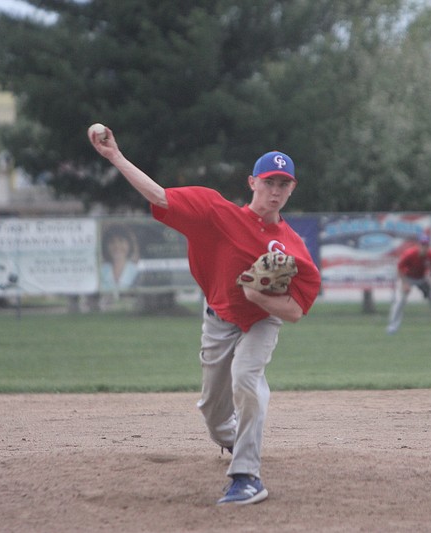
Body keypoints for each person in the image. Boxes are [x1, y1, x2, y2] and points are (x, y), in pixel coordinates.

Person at [89, 125, 321, 505]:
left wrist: (256, 297)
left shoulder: (292, 246)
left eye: (284, 183)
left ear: (292, 189)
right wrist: (115, 156)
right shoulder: (216, 213)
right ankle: (235, 441)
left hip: (261, 322)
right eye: (269, 182)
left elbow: (295, 311)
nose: (276, 190)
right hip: (218, 318)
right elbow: (158, 196)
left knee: (246, 379)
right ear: (252, 182)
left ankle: (247, 476)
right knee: (214, 414)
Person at [386, 233, 431, 335]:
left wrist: (429, 279)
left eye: (426, 245)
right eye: (422, 244)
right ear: (419, 245)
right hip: (407, 277)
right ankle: (392, 327)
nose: (424, 247)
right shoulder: (410, 254)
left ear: (429, 246)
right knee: (400, 301)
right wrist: (404, 284)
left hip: (421, 278)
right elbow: (399, 268)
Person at [100, 224, 140, 291]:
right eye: (112, 242)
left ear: (129, 244)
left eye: (121, 241)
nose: (117, 246)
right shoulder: (101, 271)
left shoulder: (136, 271)